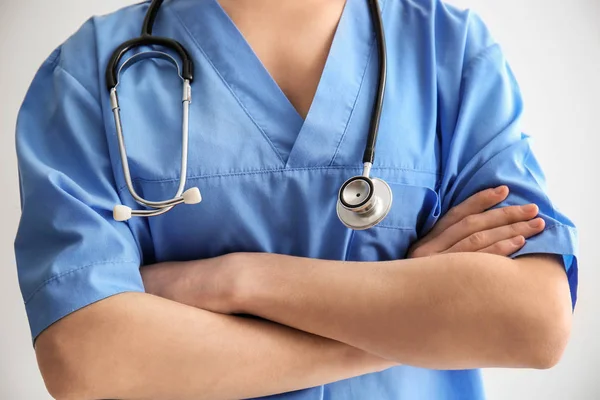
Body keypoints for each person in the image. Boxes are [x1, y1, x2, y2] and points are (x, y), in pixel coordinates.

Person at [14, 0, 578, 399]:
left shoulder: (446, 50)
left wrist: (232, 279)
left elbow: (533, 321)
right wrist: (413, 328)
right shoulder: (94, 70)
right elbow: (86, 356)